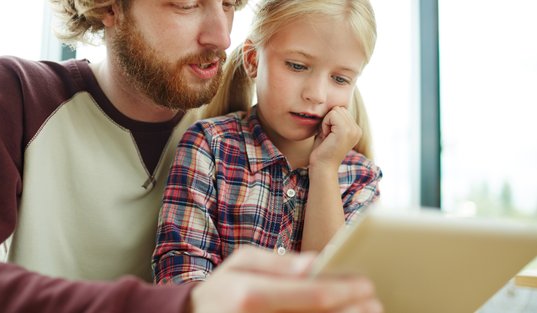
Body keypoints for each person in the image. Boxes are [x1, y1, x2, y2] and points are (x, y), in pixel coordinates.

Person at [0, 0, 382, 312]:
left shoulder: (249, 129)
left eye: (229, 3)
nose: (220, 35)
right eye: (186, 2)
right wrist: (186, 305)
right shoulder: (15, 98)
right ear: (110, 6)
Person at [152, 0, 382, 285]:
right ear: (253, 60)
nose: (317, 94)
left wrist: (324, 169)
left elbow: (332, 290)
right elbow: (180, 277)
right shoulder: (209, 147)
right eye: (297, 66)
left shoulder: (360, 178)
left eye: (340, 78)